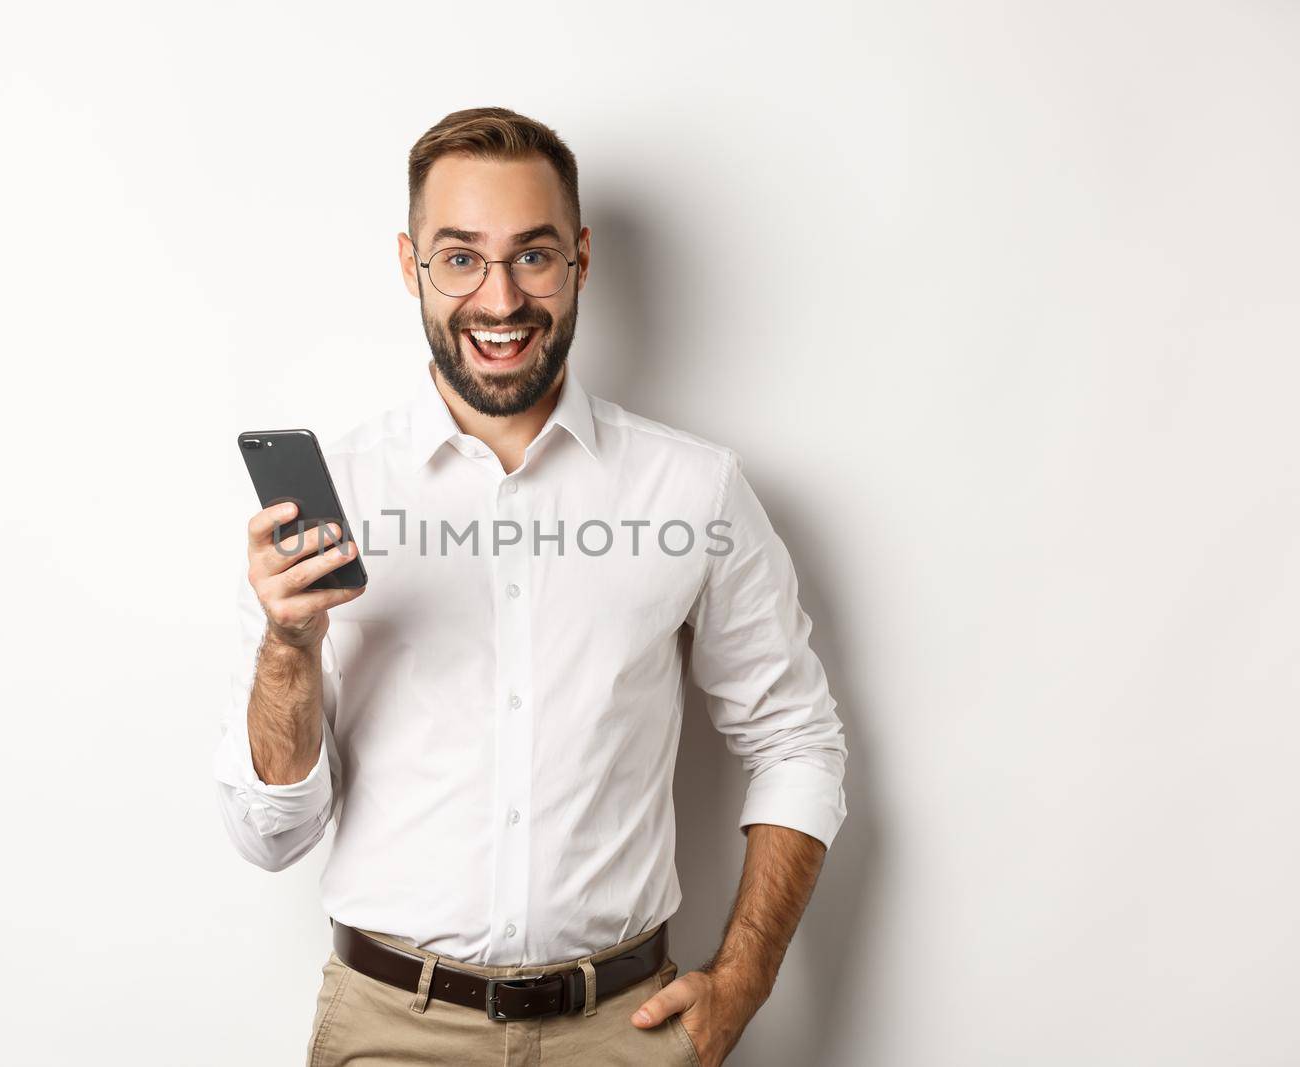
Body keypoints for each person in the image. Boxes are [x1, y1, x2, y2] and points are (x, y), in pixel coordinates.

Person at [214, 106, 848, 1067]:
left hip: (626, 1033)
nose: (500, 299)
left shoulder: (694, 488)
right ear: (410, 264)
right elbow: (271, 837)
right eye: (460, 257)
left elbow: (797, 738)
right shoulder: (335, 497)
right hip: (394, 1033)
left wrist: (743, 981)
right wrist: (287, 650)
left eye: (534, 256)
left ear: (582, 258)